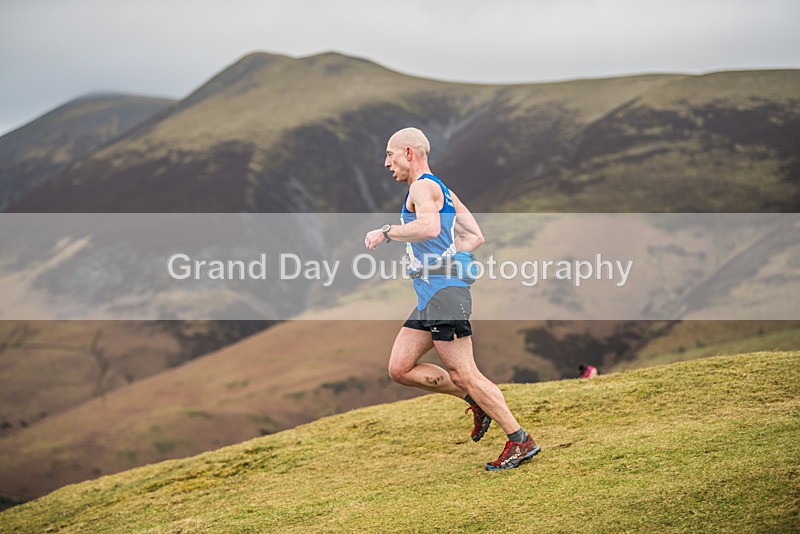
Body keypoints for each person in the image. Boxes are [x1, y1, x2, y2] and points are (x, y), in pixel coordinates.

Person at [364, 127, 540, 470]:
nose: (387, 163)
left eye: (390, 154)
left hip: (445, 294)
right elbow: (474, 235)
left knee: (465, 373)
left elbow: (429, 229)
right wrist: (442, 258)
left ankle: (520, 441)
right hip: (432, 294)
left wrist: (387, 233)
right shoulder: (441, 188)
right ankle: (474, 403)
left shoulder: (422, 187)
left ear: (410, 153)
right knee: (400, 368)